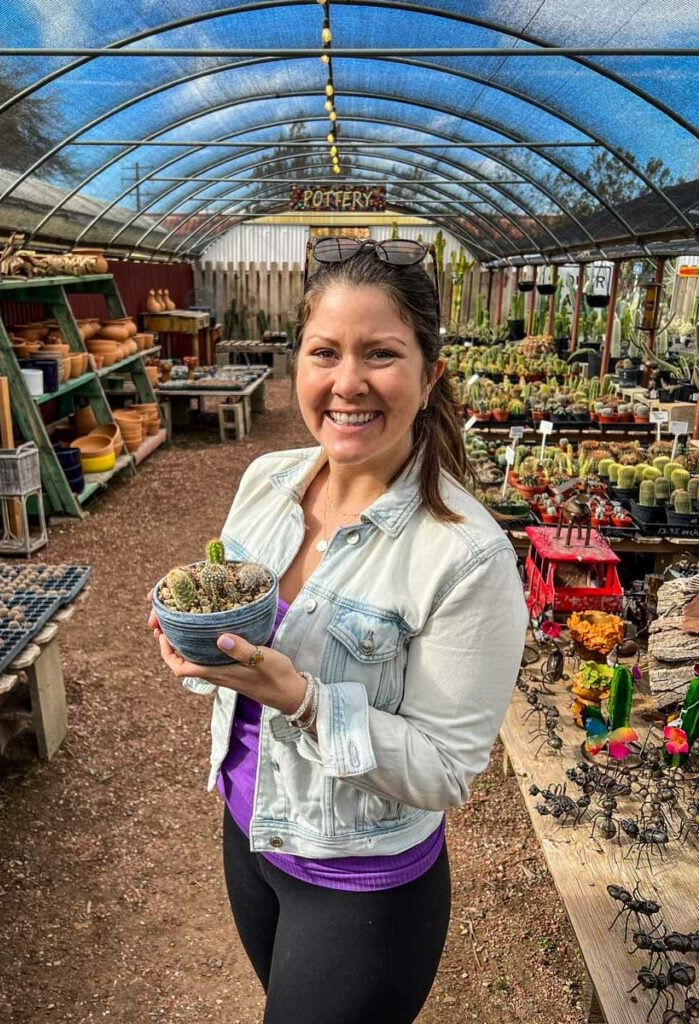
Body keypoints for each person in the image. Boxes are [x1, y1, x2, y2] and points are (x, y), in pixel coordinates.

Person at [149, 238, 527, 1024]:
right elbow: (235, 612)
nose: (347, 382)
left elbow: (444, 771)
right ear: (298, 368)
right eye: (325, 352)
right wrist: (198, 646)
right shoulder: (267, 481)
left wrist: (301, 697)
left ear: (430, 377)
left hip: (359, 883)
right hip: (250, 829)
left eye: (380, 354)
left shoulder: (464, 555)